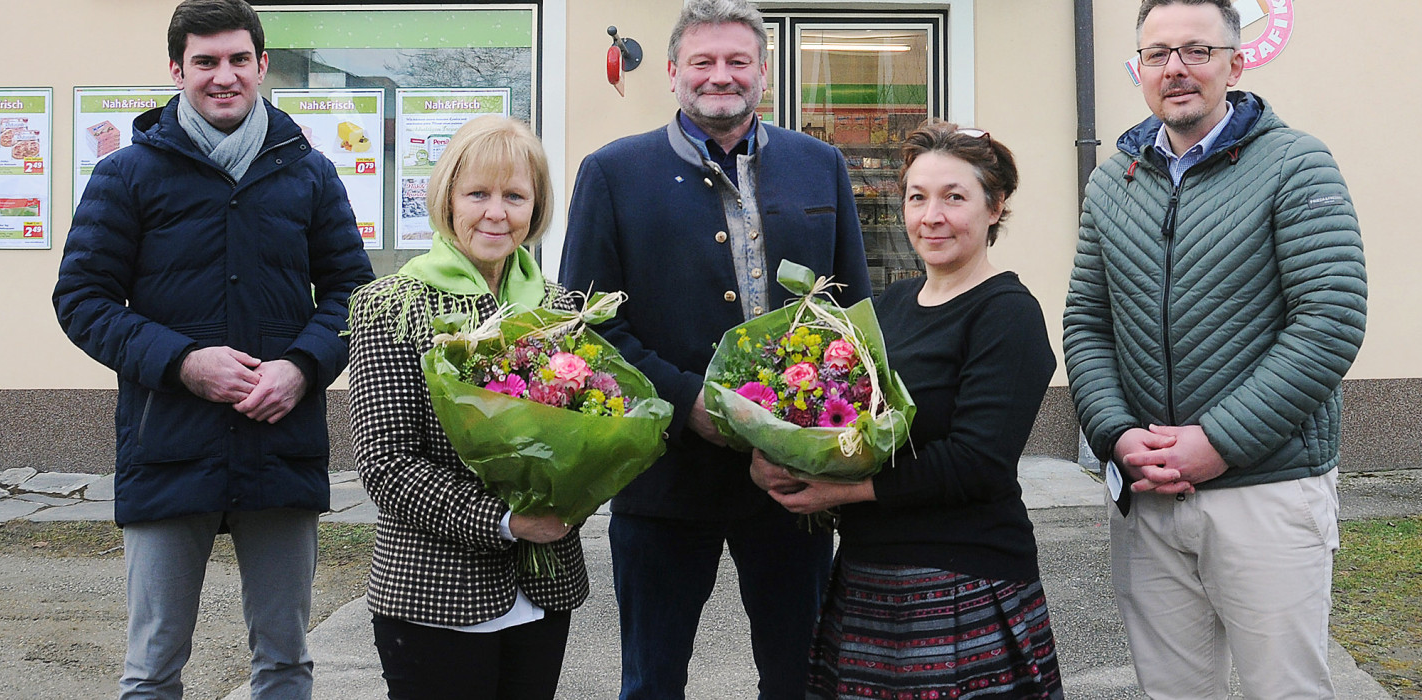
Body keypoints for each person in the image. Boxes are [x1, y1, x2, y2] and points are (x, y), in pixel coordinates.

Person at [50, 0, 374, 697]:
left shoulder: (310, 174)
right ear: (177, 70)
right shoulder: (126, 176)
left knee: (286, 660)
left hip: (279, 446)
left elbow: (353, 292)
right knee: (153, 666)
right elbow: (82, 301)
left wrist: (302, 366)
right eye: (205, 62)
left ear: (262, 66)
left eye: (237, 60)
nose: (222, 76)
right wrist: (183, 363)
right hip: (167, 446)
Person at [558, 0, 871, 696]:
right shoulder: (612, 172)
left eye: (737, 61)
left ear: (763, 71)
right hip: (663, 476)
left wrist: (831, 432)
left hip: (793, 476)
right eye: (703, 61)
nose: (719, 76)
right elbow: (586, 322)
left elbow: (851, 312)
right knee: (652, 678)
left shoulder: (820, 166)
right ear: (672, 72)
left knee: (802, 676)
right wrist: (688, 400)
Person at [1061, 1, 1368, 697]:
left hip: (1267, 488)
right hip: (1148, 494)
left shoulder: (1296, 164)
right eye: (1157, 53)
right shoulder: (1115, 180)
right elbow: (1087, 322)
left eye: (1197, 51)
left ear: (1237, 61)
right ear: (1138, 68)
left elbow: (1330, 319)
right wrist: (1114, 434)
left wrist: (1220, 440)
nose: (1175, 69)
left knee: (1283, 690)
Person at [752, 121, 1063, 699]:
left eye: (954, 197)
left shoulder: (1007, 313)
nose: (932, 216)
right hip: (869, 573)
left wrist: (839, 492)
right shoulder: (888, 307)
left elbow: (977, 463)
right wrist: (780, 458)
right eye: (918, 198)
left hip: (960, 578)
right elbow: (840, 419)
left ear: (995, 208)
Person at [345, 115, 588, 700]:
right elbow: (386, 464)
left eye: (515, 196)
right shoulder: (390, 306)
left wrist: (578, 492)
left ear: (537, 207)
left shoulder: (562, 309)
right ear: (447, 199)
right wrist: (508, 521)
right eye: (477, 194)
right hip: (435, 591)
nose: (496, 213)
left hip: (543, 589)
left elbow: (587, 433)